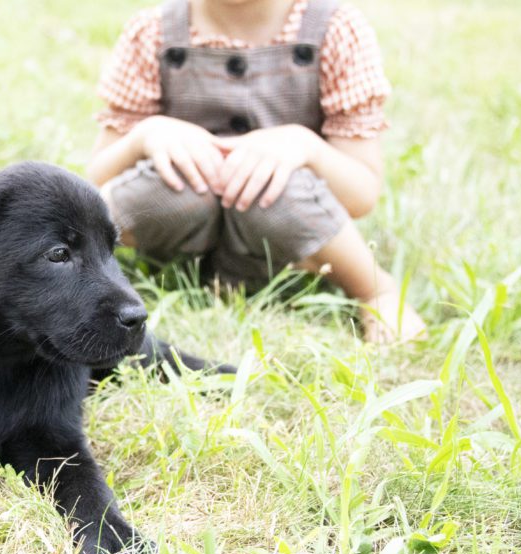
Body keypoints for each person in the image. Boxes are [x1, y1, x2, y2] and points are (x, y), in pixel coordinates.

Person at [87, 0, 427, 342]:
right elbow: (97, 180)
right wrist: (145, 136)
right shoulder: (153, 32)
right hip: (176, 215)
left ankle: (375, 290)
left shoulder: (336, 30)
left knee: (277, 192)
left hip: (281, 230)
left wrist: (306, 147)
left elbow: (363, 193)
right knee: (171, 188)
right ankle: (86, 273)